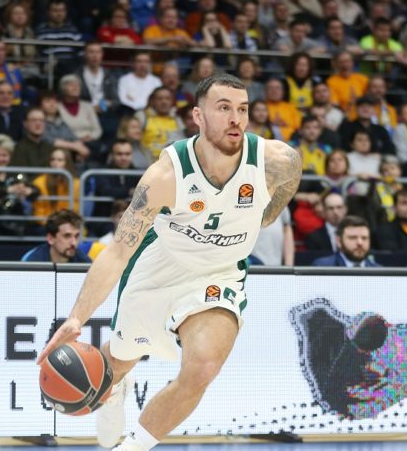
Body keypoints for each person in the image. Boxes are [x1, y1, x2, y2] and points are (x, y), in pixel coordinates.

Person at [37, 74, 302, 451]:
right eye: (223, 108)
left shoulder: (276, 160)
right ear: (198, 116)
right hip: (161, 265)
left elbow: (290, 178)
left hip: (219, 274)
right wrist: (77, 318)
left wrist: (263, 215)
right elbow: (117, 252)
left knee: (203, 367)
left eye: (242, 109)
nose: (235, 118)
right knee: (117, 364)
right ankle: (115, 389)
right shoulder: (167, 174)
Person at [21, 209, 91, 263]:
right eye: (67, 236)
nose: (74, 243)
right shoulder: (32, 262)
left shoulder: (84, 262)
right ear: (50, 239)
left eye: (76, 236)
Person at [312, 215, 380, 267]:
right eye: (353, 238)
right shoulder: (323, 267)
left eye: (364, 238)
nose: (360, 242)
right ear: (339, 241)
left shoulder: (378, 271)